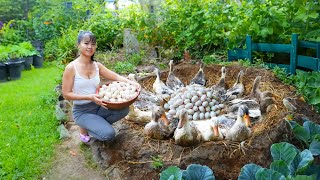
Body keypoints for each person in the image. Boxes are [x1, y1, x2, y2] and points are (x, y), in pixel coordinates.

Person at [62, 30, 140, 143]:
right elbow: (66, 94)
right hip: (82, 111)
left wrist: (132, 83)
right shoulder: (71, 68)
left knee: (124, 110)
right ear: (78, 45)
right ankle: (86, 128)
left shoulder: (96, 65)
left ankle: (95, 124)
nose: (90, 47)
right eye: (86, 43)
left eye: (93, 44)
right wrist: (90, 97)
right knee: (109, 135)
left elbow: (116, 77)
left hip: (99, 106)